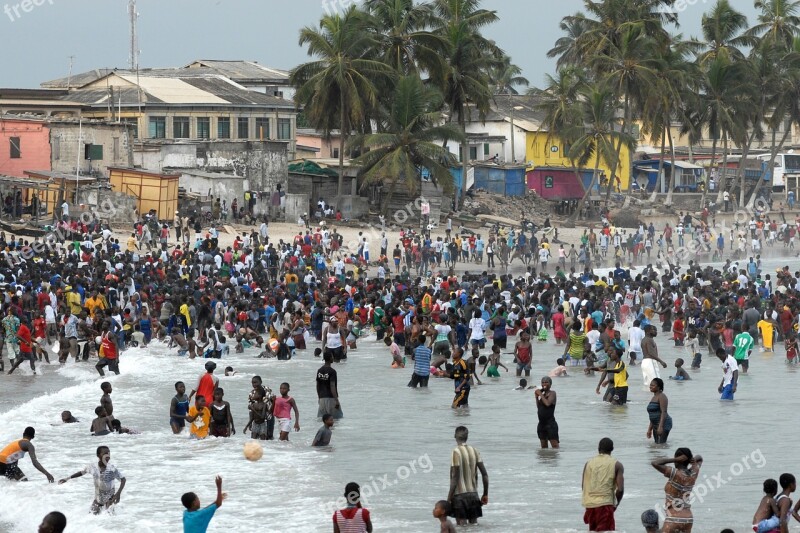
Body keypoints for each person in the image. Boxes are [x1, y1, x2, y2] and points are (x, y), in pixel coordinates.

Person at [59, 445, 126, 514]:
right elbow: (82, 472)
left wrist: (118, 493)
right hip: (98, 500)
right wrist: (67, 478)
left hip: (110, 500)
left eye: (109, 454)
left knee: (109, 520)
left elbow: (123, 479)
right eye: (105, 454)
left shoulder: (112, 469)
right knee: (90, 518)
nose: (108, 456)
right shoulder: (92, 467)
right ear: (98, 455)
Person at [651, 448, 703, 532]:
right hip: (688, 519)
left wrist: (674, 459)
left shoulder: (675, 473)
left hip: (673, 518)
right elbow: (700, 458)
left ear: (679, 459)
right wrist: (691, 460)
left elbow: (654, 463)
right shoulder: (694, 472)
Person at [447, 426, 489, 526]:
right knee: (474, 526)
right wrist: (485, 494)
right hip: (473, 495)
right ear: (467, 437)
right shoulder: (474, 450)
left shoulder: (455, 451)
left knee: (461, 527)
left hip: (459, 496)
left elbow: (455, 477)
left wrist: (449, 498)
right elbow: (485, 475)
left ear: (454, 436)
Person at [582, 437, 624, 532]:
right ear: (612, 449)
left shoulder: (588, 463)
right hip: (605, 504)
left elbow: (584, 486)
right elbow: (620, 490)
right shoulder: (617, 464)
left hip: (590, 505)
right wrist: (616, 504)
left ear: (598, 449)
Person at [317, 352, 343, 419]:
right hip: (331, 398)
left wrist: (319, 397)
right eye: (332, 356)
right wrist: (336, 400)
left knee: (322, 419)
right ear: (330, 358)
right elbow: (332, 386)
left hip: (322, 398)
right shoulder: (332, 371)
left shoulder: (319, 370)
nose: (333, 358)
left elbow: (317, 385)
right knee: (336, 419)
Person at [535, 376, 559, 448]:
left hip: (550, 424)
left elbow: (548, 404)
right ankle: (545, 459)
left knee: (555, 447)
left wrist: (540, 394)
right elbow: (538, 407)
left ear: (550, 384)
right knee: (543, 448)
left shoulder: (552, 393)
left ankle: (553, 459)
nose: (544, 384)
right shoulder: (543, 395)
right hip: (541, 424)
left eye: (546, 382)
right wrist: (536, 397)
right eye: (543, 382)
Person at [647, 378, 672, 444]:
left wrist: (661, 426)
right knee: (657, 444)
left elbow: (664, 412)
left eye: (653, 385)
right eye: (650, 385)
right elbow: (653, 415)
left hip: (664, 423)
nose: (650, 387)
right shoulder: (654, 397)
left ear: (658, 387)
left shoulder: (662, 396)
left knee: (661, 444)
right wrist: (649, 429)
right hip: (655, 424)